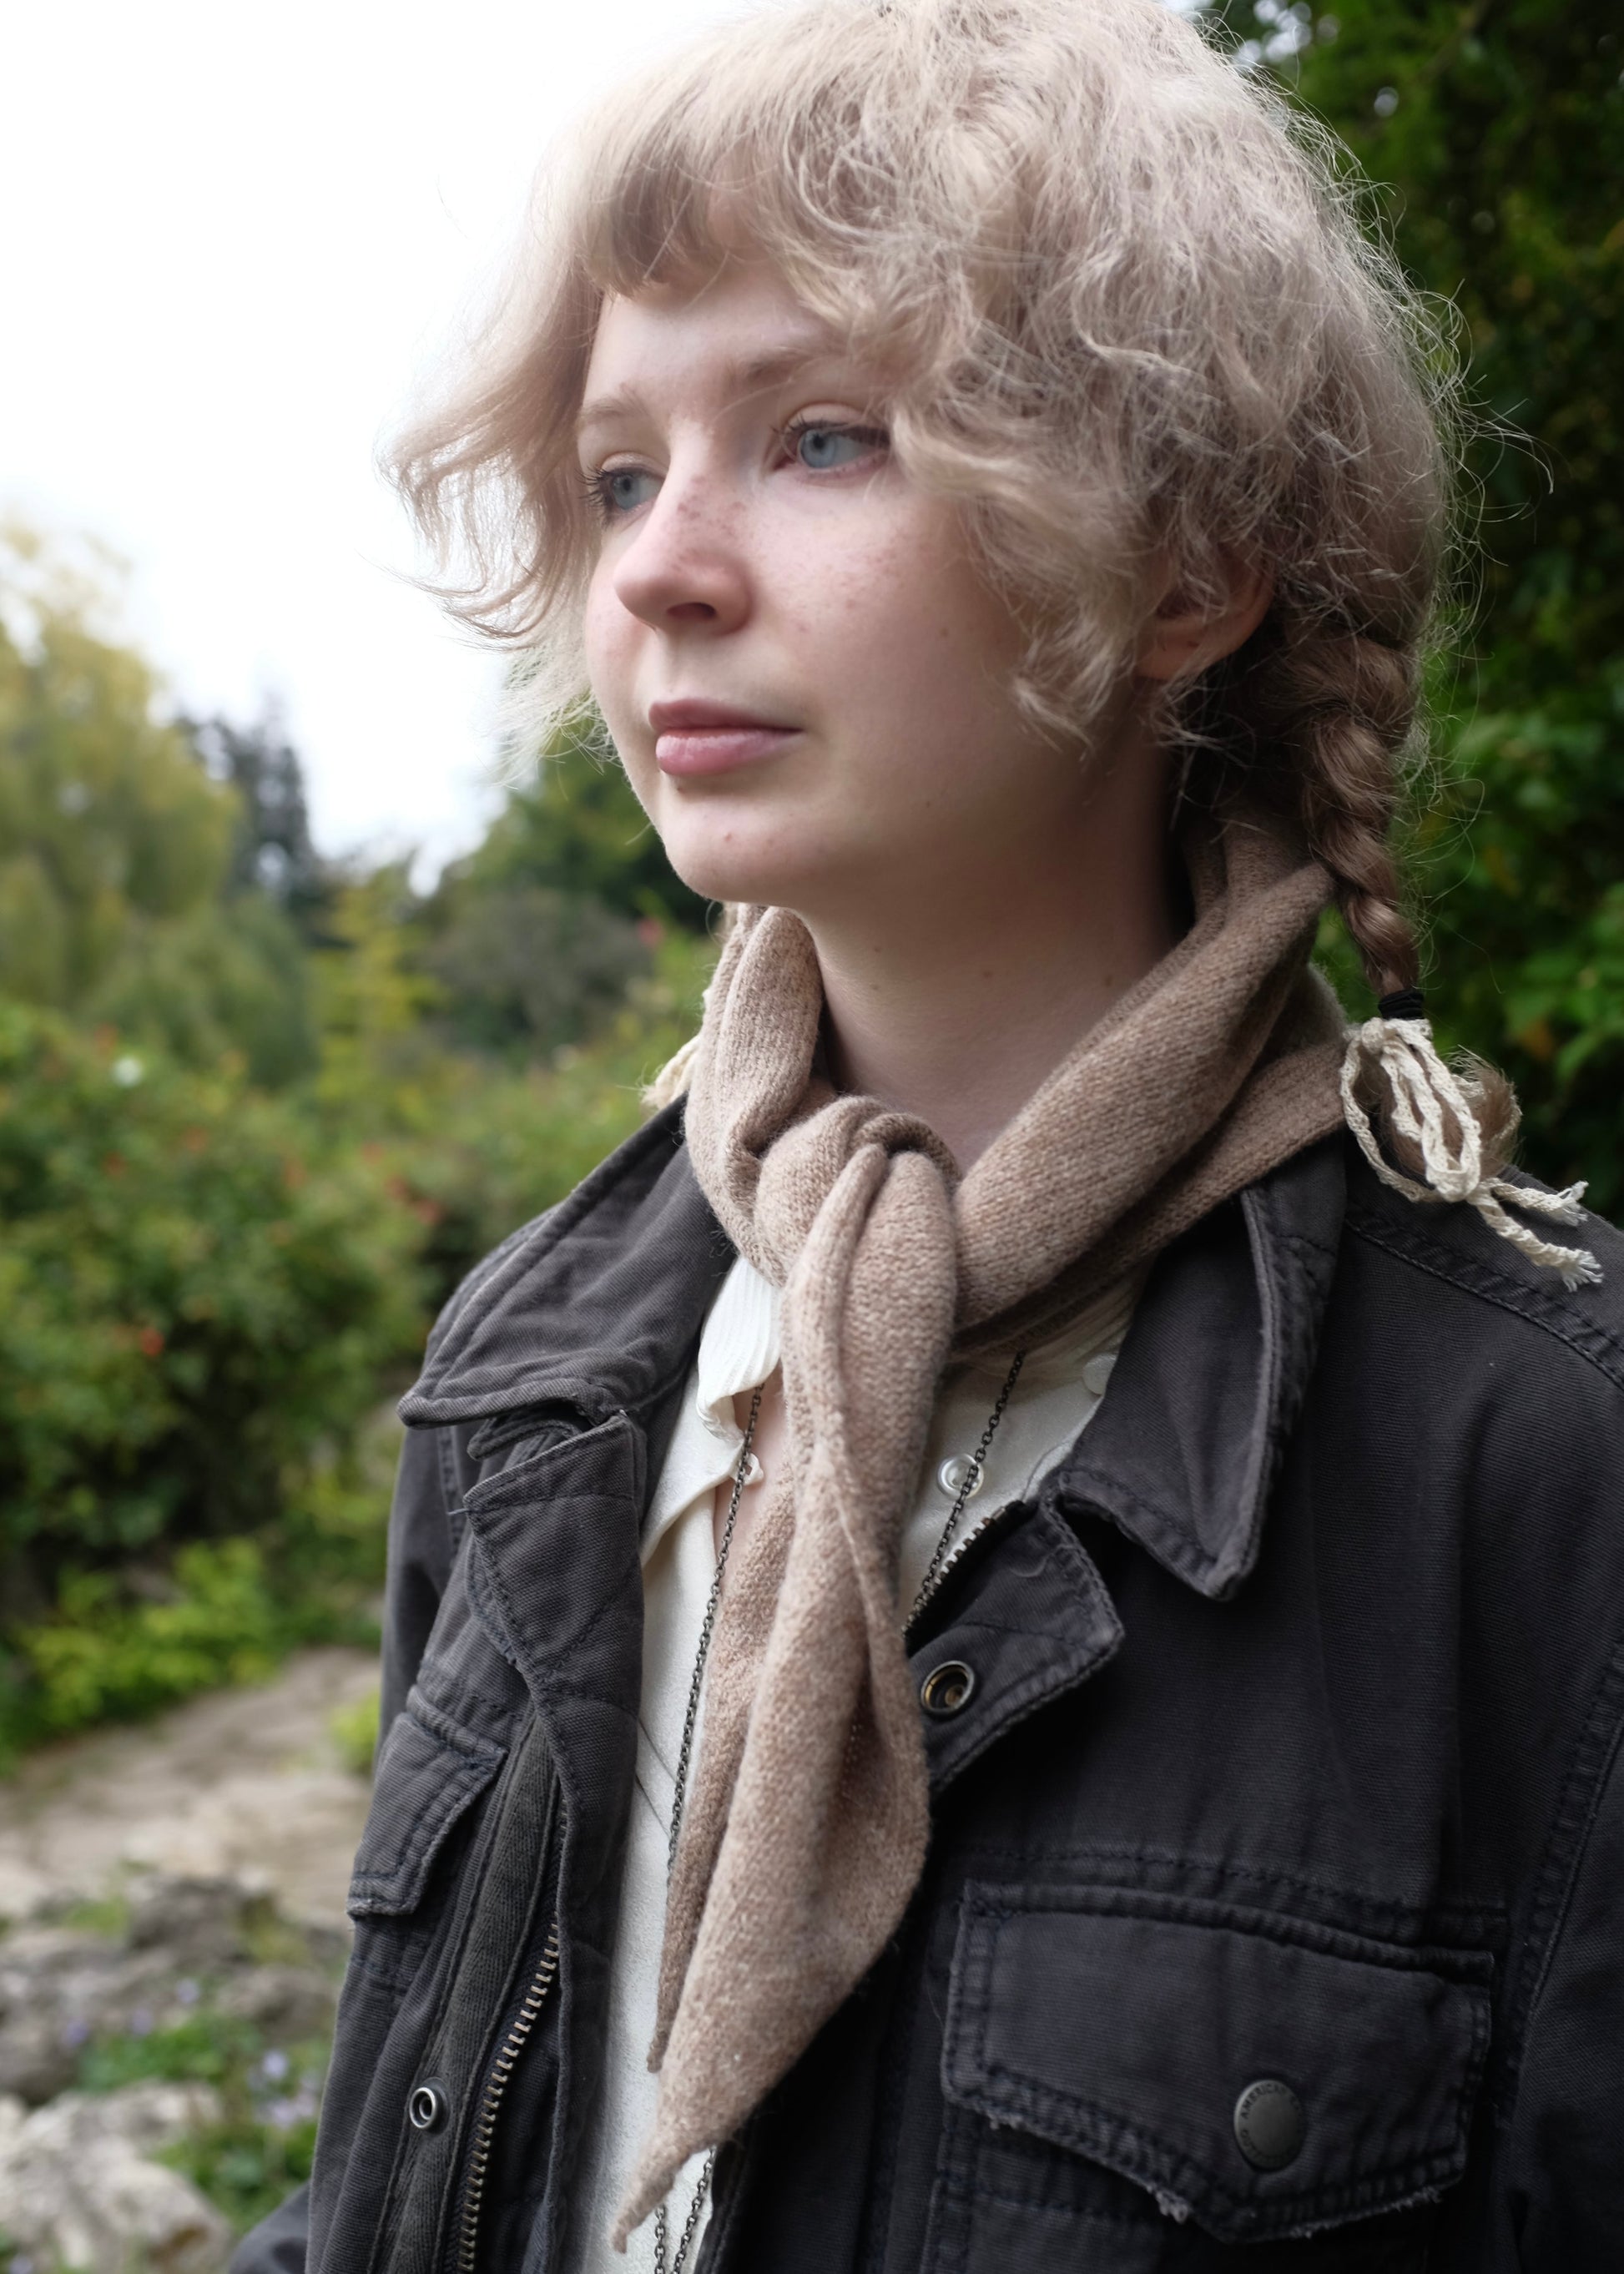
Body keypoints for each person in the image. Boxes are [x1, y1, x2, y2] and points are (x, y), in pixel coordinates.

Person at [235, 1, 1624, 2266]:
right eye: (611, 474)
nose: (657, 571)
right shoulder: (538, 1363)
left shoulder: (1541, 1463)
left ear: (1183, 562)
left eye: (813, 436)